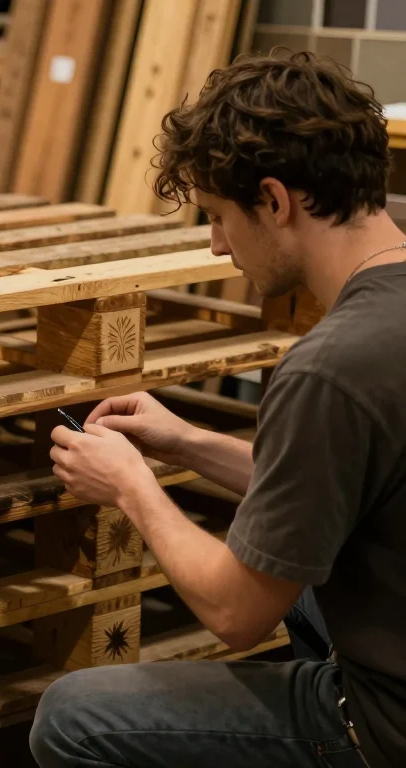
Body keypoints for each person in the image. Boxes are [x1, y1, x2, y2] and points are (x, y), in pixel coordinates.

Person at [31, 51, 405, 768]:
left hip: (388, 725)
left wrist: (130, 486)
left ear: (274, 200)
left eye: (219, 217)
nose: (216, 244)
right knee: (302, 581)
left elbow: (236, 615)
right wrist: (187, 442)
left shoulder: (331, 366)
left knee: (72, 716)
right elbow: (338, 482)